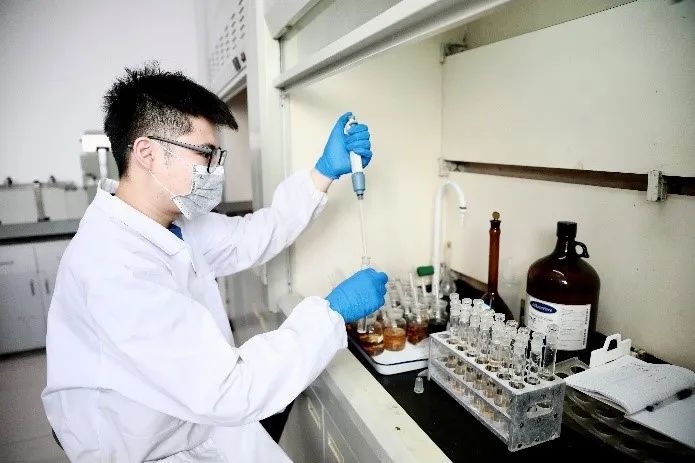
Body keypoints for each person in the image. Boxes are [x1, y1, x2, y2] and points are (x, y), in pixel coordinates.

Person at [41, 63, 387, 462]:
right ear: (147, 153)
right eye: (206, 153)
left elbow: (256, 235)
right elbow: (227, 389)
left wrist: (323, 172)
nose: (215, 169)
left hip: (192, 422)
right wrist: (331, 312)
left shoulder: (171, 220)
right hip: (147, 449)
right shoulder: (114, 265)